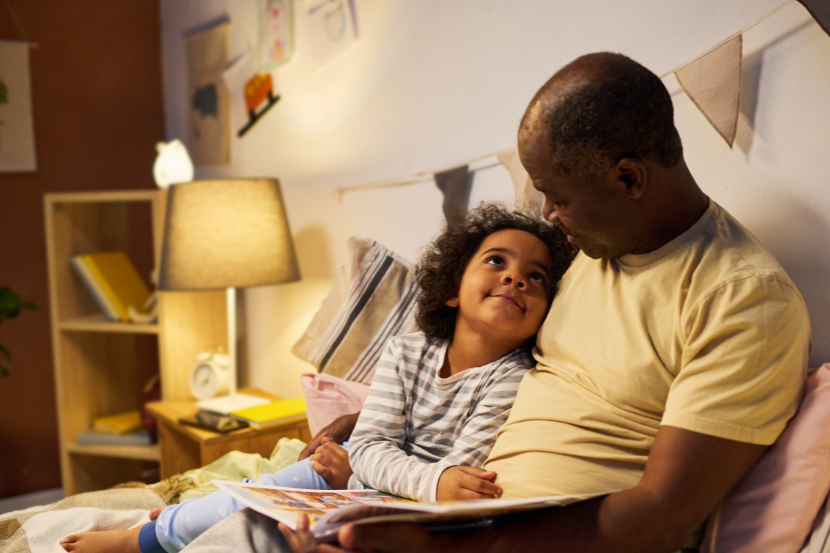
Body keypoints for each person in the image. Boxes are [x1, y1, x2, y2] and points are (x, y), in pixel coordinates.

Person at [270, 52, 811, 553]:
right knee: (245, 531)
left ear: (629, 179)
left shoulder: (741, 300)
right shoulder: (590, 253)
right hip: (448, 516)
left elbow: (661, 515)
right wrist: (368, 426)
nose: (547, 214)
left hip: (502, 541)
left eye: (560, 196)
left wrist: (437, 548)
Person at [59, 203, 575, 553]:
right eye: (497, 261)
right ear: (451, 289)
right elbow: (373, 442)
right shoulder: (406, 351)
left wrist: (367, 476)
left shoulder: (514, 378)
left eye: (536, 277)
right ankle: (141, 540)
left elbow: (458, 479)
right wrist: (392, 473)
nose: (515, 278)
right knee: (246, 495)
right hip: (354, 479)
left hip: (394, 506)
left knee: (278, 530)